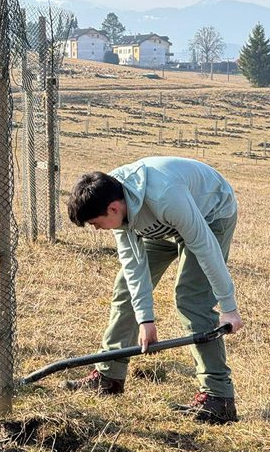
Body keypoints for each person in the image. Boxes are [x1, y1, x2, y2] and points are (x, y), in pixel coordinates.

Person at [65, 157, 244, 424]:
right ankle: (108, 377)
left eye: (95, 223)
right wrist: (145, 319)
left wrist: (229, 308)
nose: (97, 229)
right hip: (160, 224)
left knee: (191, 298)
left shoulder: (164, 196)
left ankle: (218, 398)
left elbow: (206, 248)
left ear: (113, 209)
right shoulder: (110, 192)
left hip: (210, 213)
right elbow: (133, 266)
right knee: (125, 288)